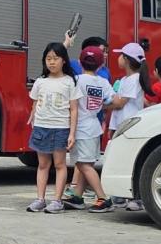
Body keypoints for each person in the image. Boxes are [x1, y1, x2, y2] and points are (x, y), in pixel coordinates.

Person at [27, 42, 81, 213]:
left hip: (60, 128)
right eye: (48, 59)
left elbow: (74, 109)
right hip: (42, 127)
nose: (51, 62)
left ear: (63, 61)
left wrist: (72, 133)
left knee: (59, 164)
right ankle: (40, 199)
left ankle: (57, 200)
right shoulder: (40, 82)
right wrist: (33, 116)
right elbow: (35, 103)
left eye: (55, 58)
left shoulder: (69, 82)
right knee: (42, 165)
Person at [62, 46, 114, 213]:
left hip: (81, 127)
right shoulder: (103, 82)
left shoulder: (76, 80)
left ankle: (103, 198)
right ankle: (77, 196)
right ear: (100, 65)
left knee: (84, 165)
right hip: (94, 126)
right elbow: (111, 99)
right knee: (86, 163)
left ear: (79, 61)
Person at [108, 42, 151, 211]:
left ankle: (135, 197)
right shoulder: (127, 79)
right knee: (121, 161)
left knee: (128, 161)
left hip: (127, 125)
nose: (118, 58)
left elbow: (119, 103)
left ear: (126, 59)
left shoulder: (133, 80)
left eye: (121, 55)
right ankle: (121, 196)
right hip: (121, 124)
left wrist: (101, 104)